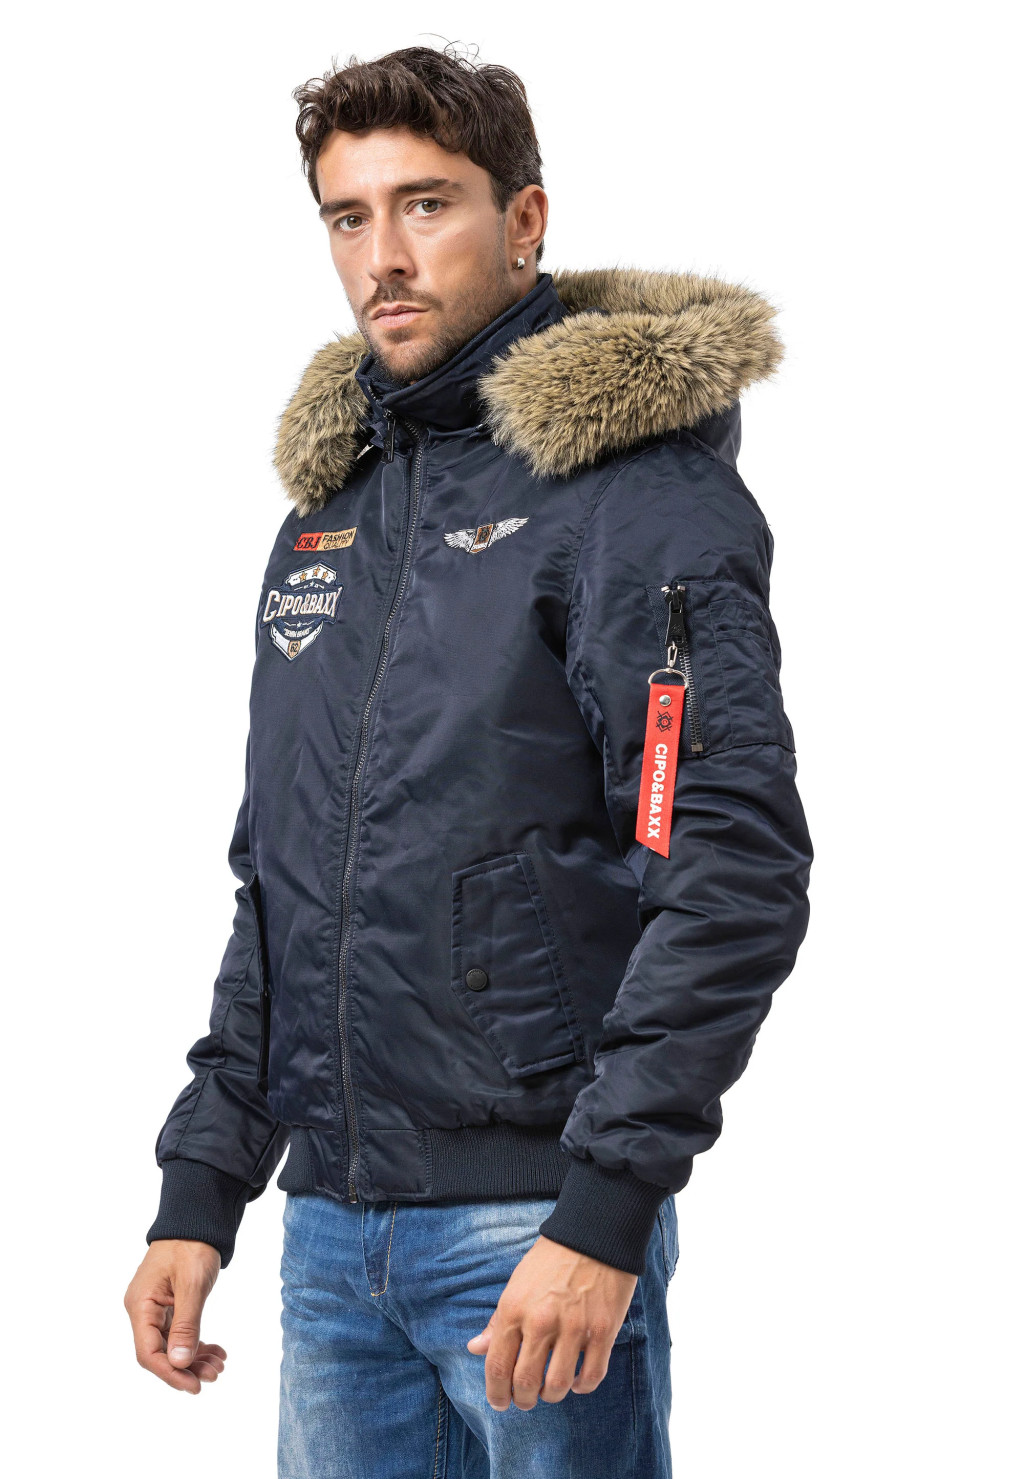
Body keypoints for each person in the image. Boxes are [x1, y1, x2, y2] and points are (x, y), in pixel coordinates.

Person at [123, 41, 813, 1479]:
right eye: (348, 215)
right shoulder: (332, 517)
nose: (384, 255)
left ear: (526, 221)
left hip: (530, 1232)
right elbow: (283, 886)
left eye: (426, 204)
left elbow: (730, 868)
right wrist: (203, 1183)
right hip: (329, 1242)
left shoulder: (637, 499)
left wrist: (602, 1211)